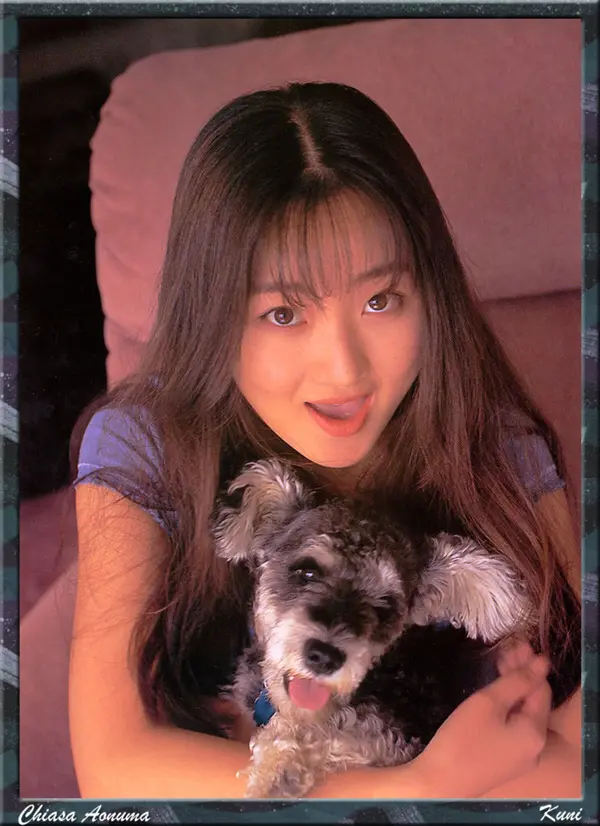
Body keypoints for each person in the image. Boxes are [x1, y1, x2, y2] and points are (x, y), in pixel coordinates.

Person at [69, 81, 582, 800]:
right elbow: (112, 767)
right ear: (213, 315)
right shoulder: (146, 445)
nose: (345, 371)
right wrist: (418, 787)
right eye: (283, 314)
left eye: (380, 300)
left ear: (429, 296)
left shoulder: (494, 448)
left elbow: (578, 755)